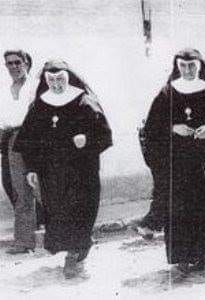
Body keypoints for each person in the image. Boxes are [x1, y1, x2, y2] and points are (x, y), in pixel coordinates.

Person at [13, 60, 112, 278]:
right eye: (51, 80)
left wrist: (86, 140)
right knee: (58, 212)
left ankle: (74, 255)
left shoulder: (84, 101)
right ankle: (75, 248)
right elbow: (28, 141)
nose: (56, 84)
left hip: (81, 171)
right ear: (46, 81)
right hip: (52, 173)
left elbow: (104, 135)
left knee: (80, 210)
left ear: (68, 77)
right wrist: (31, 169)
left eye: (60, 79)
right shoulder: (40, 105)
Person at [142, 48, 205, 273]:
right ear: (177, 67)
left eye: (192, 66)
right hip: (177, 163)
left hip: (204, 163)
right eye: (183, 66)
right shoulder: (167, 94)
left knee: (203, 207)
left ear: (199, 66)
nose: (187, 70)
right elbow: (151, 129)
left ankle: (202, 255)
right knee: (178, 210)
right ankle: (181, 257)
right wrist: (174, 128)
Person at [1, 49, 42, 254]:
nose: (14, 67)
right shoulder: (4, 90)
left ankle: (67, 236)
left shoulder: (36, 86)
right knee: (20, 191)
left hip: (36, 137)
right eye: (9, 63)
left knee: (45, 187)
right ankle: (24, 242)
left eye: (18, 62)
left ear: (26, 62)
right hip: (13, 140)